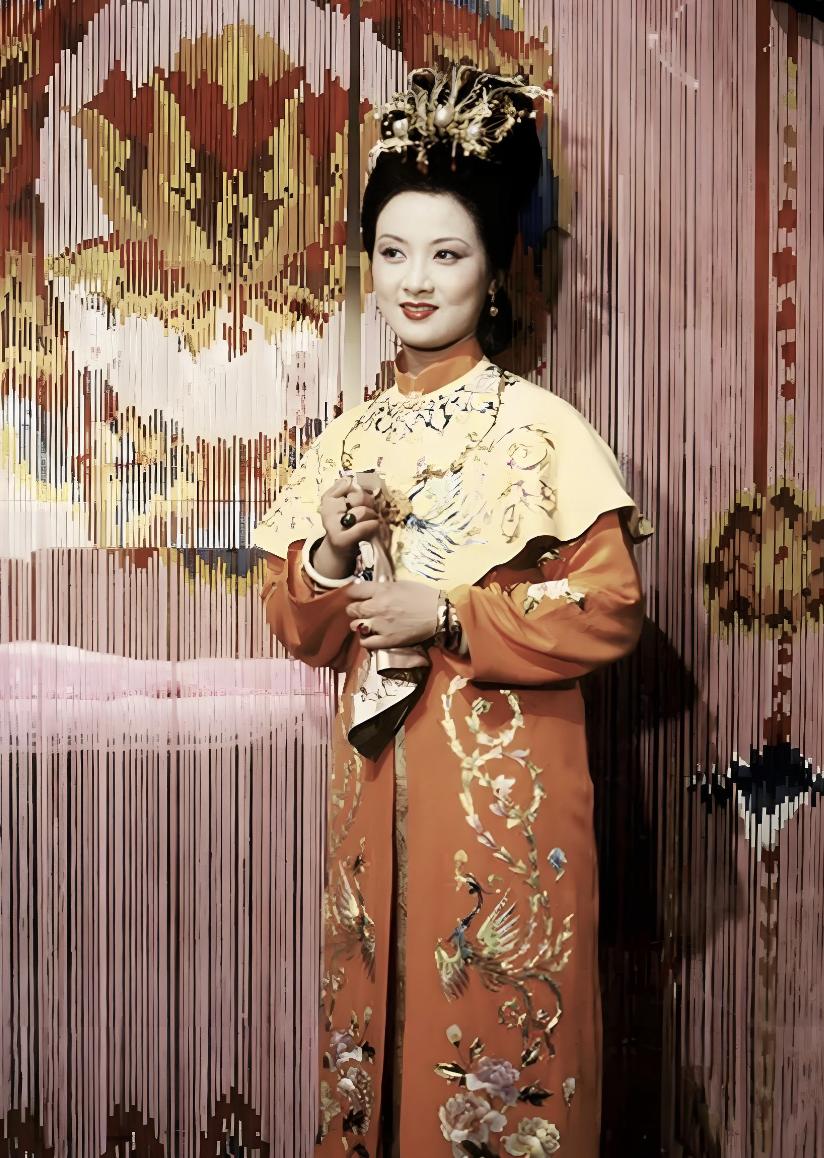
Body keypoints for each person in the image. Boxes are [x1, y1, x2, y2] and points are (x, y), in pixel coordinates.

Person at [252, 65, 652, 1158]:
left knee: (491, 1046)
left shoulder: (541, 428)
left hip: (503, 810)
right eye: (392, 253)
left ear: (495, 265)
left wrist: (447, 611)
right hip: (371, 798)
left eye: (446, 254)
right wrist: (332, 552)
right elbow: (296, 622)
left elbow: (609, 608)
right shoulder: (349, 435)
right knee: (369, 1051)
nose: (415, 281)